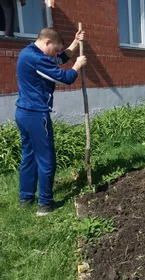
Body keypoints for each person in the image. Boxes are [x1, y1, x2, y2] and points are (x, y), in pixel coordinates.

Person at [15, 27, 87, 216]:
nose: (56, 54)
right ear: (47, 42)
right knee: (46, 159)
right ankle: (45, 204)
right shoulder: (37, 59)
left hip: (23, 112)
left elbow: (60, 58)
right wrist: (77, 65)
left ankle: (26, 198)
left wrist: (75, 42)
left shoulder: (30, 53)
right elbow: (65, 78)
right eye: (55, 49)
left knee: (28, 156)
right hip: (36, 115)